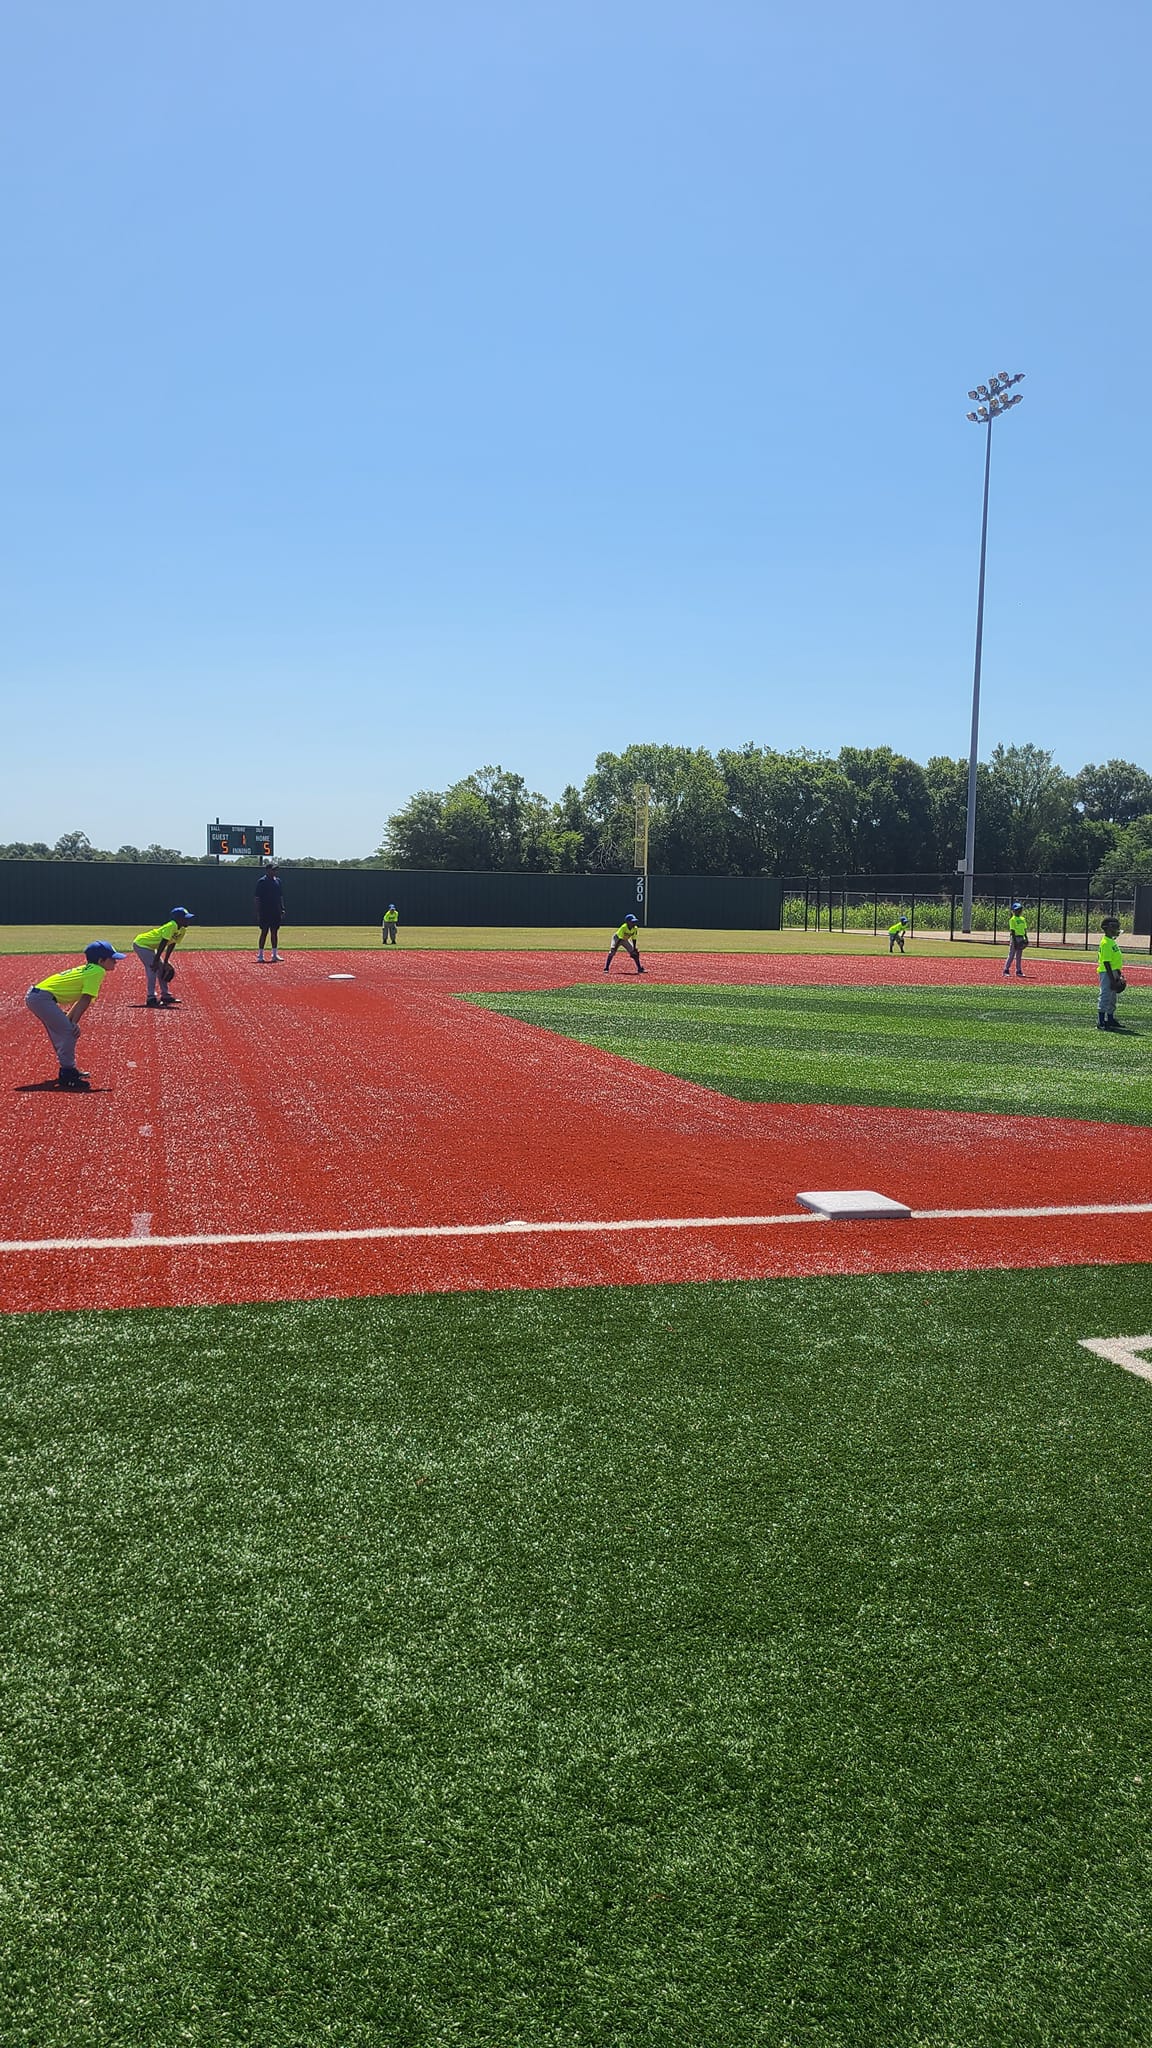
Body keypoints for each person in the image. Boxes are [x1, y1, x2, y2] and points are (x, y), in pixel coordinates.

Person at [25, 940, 125, 1089]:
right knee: (68, 1031)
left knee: (66, 1030)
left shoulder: (90, 969)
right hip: (42, 999)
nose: (116, 962)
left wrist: (70, 1020)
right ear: (101, 961)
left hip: (38, 997)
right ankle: (67, 1073)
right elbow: (85, 999)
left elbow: (80, 1000)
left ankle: (68, 1069)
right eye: (112, 959)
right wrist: (72, 1024)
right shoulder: (98, 971)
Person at [133, 907, 194, 1007]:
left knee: (162, 969)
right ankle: (151, 998)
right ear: (177, 919)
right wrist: (156, 960)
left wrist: (165, 961)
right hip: (142, 944)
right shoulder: (171, 926)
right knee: (153, 968)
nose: (188, 920)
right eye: (185, 918)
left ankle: (165, 996)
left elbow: (172, 944)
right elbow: (163, 943)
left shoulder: (182, 929)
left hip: (151, 946)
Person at [1097, 916, 1126, 1030]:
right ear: (1107, 928)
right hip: (1107, 972)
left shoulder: (1111, 941)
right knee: (1105, 994)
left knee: (1112, 996)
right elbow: (1106, 962)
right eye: (1114, 927)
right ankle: (1100, 1020)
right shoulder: (1106, 943)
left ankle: (1110, 1018)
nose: (1117, 929)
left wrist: (1118, 973)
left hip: (1114, 972)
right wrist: (1112, 979)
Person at [255, 865, 284, 961]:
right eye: (273, 870)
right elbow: (257, 898)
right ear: (267, 870)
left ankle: (274, 954)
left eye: (276, 870)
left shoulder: (278, 881)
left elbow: (280, 897)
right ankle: (260, 955)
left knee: (274, 932)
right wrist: (258, 912)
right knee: (264, 932)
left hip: (275, 911)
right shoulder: (262, 882)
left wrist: (282, 908)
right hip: (265, 911)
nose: (275, 872)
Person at [1003, 903, 1029, 978]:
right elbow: (1012, 931)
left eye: (1020, 909)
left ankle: (1018, 971)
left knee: (1019, 956)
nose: (1019, 911)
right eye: (1017, 910)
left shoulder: (1023, 919)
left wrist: (1026, 938)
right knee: (1011, 954)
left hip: (1021, 937)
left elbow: (1024, 929)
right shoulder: (1012, 919)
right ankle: (1006, 970)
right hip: (1015, 937)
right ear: (1013, 911)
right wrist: (1014, 941)